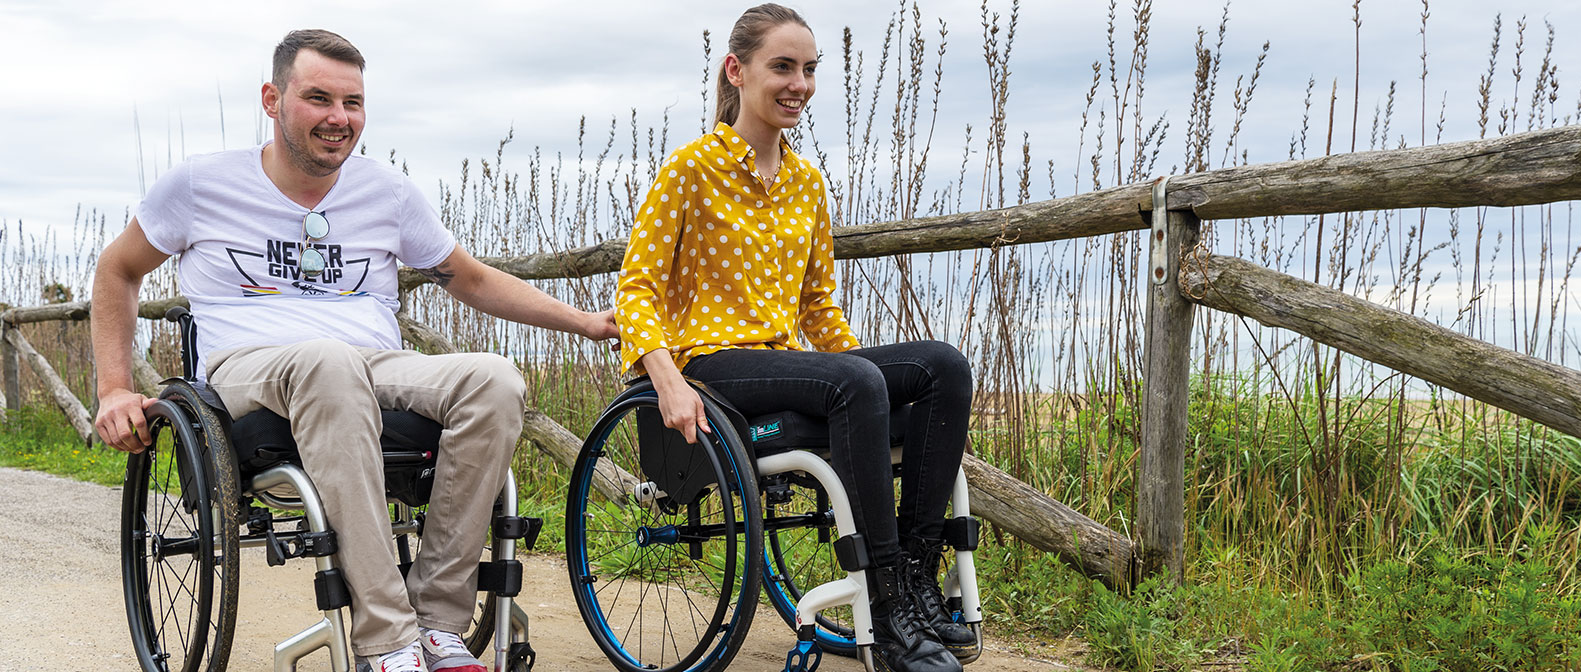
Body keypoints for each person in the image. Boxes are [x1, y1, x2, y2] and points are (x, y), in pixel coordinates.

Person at [90, 29, 616, 672]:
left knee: (495, 378)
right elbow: (117, 270)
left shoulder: (386, 193)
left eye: (353, 103)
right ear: (272, 99)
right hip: (250, 366)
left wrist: (586, 323)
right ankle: (387, 641)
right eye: (318, 98)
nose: (339, 119)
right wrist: (114, 387)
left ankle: (437, 627)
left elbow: (472, 279)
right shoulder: (201, 184)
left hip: (370, 363)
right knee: (327, 360)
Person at [614, 5, 974, 671]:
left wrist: (869, 377)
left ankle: (919, 582)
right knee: (854, 379)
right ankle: (888, 604)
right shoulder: (689, 171)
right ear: (737, 71)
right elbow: (636, 287)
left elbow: (816, 306)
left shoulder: (807, 182)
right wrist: (665, 379)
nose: (799, 83)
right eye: (783, 66)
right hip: (711, 364)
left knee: (941, 366)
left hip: (784, 360)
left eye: (808, 70)